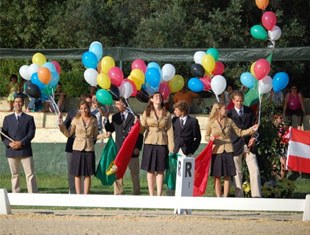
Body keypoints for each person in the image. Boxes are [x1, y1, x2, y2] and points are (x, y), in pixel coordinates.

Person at [205, 102, 258, 197]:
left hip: (229, 150)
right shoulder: (211, 122)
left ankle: (225, 197)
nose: (227, 110)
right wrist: (210, 139)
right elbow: (206, 136)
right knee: (217, 176)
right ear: (218, 110)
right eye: (225, 109)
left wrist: (251, 129)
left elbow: (240, 132)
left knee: (227, 175)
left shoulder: (229, 121)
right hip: (217, 150)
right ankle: (218, 198)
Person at [58, 99, 99, 194]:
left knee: (88, 174)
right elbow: (69, 134)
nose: (83, 110)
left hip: (89, 148)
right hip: (77, 148)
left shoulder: (93, 119)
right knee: (77, 174)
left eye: (85, 108)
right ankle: (78, 195)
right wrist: (61, 126)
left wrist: (105, 135)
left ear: (88, 108)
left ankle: (86, 195)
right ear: (79, 109)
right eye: (81, 109)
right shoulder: (75, 120)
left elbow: (96, 135)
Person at [105, 97, 143, 195]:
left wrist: (138, 147)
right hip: (119, 150)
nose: (116, 106)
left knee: (134, 173)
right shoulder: (115, 117)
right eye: (116, 104)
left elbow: (139, 133)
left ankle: (136, 192)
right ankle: (118, 193)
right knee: (117, 173)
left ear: (124, 104)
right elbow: (110, 129)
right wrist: (106, 118)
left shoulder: (134, 116)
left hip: (132, 149)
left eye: (118, 104)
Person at [227, 91, 262, 198]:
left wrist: (253, 138)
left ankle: (257, 196)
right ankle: (239, 197)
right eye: (237, 101)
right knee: (237, 172)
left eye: (241, 101)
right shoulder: (229, 113)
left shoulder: (249, 111)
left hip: (249, 145)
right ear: (233, 101)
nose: (239, 103)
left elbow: (256, 128)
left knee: (255, 169)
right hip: (235, 145)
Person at [1, 94, 38, 193]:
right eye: (16, 102)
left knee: (30, 174)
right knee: (14, 175)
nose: (18, 104)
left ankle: (33, 195)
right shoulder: (7, 119)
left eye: (20, 102)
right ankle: (15, 195)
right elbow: (3, 135)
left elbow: (31, 133)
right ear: (13, 104)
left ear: (23, 103)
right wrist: (9, 144)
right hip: (11, 151)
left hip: (25, 150)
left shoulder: (29, 118)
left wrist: (21, 143)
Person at [140, 92, 174, 196]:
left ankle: (159, 193)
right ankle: (151, 194)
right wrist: (138, 124)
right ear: (151, 100)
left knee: (160, 170)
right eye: (156, 97)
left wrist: (171, 147)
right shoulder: (146, 112)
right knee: (150, 170)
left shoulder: (167, 113)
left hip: (162, 143)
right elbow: (142, 129)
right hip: (149, 142)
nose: (158, 98)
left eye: (160, 97)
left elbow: (169, 130)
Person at [273, 113, 289, 179]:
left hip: (282, 146)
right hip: (275, 147)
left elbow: (287, 134)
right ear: (276, 118)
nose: (282, 120)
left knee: (284, 164)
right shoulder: (272, 127)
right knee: (274, 165)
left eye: (282, 118)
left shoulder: (283, 126)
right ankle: (276, 178)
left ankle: (282, 179)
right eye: (280, 118)